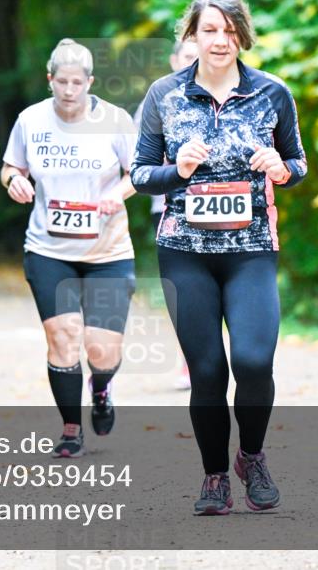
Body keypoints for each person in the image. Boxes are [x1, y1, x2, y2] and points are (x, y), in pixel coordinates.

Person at [130, 0, 307, 515]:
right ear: (193, 34)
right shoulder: (165, 94)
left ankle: (250, 456)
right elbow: (140, 174)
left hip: (251, 247)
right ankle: (213, 478)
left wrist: (281, 169)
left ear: (242, 34)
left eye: (230, 30)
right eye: (210, 29)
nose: (220, 40)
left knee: (253, 361)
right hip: (184, 250)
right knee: (207, 371)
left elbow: (297, 162)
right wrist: (177, 169)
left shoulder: (272, 92)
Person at [1, 39, 137, 458]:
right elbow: (11, 167)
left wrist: (119, 193)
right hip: (47, 249)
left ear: (90, 82)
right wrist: (13, 182)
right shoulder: (30, 120)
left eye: (78, 82)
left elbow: (139, 173)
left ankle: (101, 388)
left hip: (108, 252)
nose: (70, 89)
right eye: (62, 81)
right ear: (50, 80)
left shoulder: (115, 121)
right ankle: (71, 428)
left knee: (100, 349)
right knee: (62, 338)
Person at [136, 38, 199, 392]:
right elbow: (135, 160)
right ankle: (189, 364)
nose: (193, 63)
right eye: (187, 57)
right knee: (184, 290)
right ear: (174, 59)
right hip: (170, 207)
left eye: (197, 56)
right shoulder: (156, 99)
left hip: (217, 206)